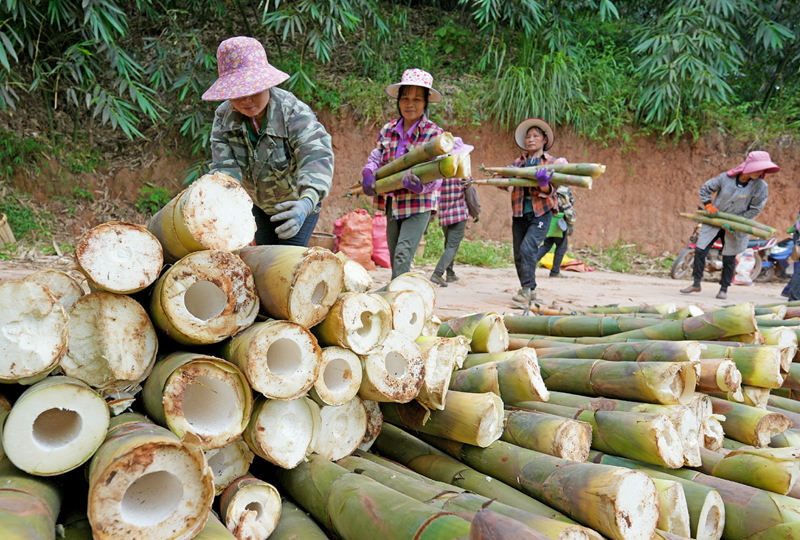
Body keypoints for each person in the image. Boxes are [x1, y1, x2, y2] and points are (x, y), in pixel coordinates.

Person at [202, 36, 334, 246]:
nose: (246, 99)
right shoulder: (224, 117)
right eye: (238, 92)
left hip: (297, 204)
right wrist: (220, 202)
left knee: (287, 263)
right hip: (258, 205)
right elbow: (225, 168)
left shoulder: (293, 112)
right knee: (264, 262)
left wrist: (306, 203)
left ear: (266, 84)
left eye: (253, 90)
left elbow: (316, 157)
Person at [361, 68, 445, 279]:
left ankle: (398, 300)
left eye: (417, 99)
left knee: (402, 254)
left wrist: (420, 185)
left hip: (419, 203)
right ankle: (400, 293)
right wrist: (368, 172)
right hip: (393, 200)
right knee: (394, 255)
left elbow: (438, 172)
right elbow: (376, 156)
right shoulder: (388, 129)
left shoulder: (434, 134)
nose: (410, 104)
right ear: (398, 101)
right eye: (405, 98)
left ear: (426, 102)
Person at [680, 151, 779, 300]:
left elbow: (755, 209)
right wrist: (708, 206)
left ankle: (723, 289)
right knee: (700, 250)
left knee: (729, 257)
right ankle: (696, 283)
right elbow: (705, 189)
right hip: (714, 220)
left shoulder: (761, 186)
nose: (760, 172)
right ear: (748, 167)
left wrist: (733, 223)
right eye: (758, 169)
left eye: (763, 170)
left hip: (737, 226)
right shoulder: (725, 178)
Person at [507, 118, 561, 303]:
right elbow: (504, 185)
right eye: (528, 136)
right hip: (520, 211)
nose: (531, 139)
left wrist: (544, 183)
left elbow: (551, 190)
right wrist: (505, 175)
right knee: (518, 253)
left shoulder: (551, 162)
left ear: (544, 140)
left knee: (528, 247)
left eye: (535, 136)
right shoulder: (518, 162)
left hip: (541, 212)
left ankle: (529, 288)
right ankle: (526, 290)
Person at [430, 171, 474, 287]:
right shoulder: (464, 173)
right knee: (452, 246)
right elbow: (470, 194)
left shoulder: (440, 174)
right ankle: (437, 274)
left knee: (448, 244)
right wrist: (476, 211)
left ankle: (450, 274)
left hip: (444, 216)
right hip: (459, 214)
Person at [537, 184, 575, 278]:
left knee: (547, 245)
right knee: (561, 246)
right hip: (559, 220)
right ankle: (555, 271)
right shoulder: (562, 189)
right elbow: (567, 208)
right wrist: (570, 223)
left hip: (549, 218)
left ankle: (529, 264)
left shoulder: (550, 186)